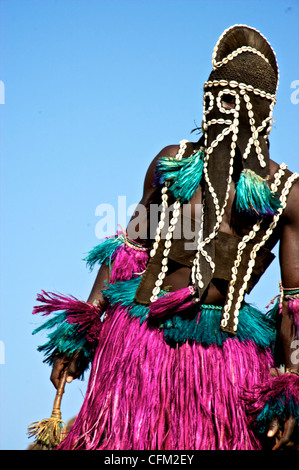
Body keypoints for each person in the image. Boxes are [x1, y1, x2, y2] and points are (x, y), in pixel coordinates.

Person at [32, 24, 299, 450]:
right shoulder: (173, 162)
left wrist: (289, 386)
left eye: (230, 102)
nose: (218, 113)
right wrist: (81, 330)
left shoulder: (287, 194)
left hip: (224, 361)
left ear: (260, 113)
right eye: (212, 100)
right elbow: (129, 250)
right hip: (140, 339)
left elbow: (294, 304)